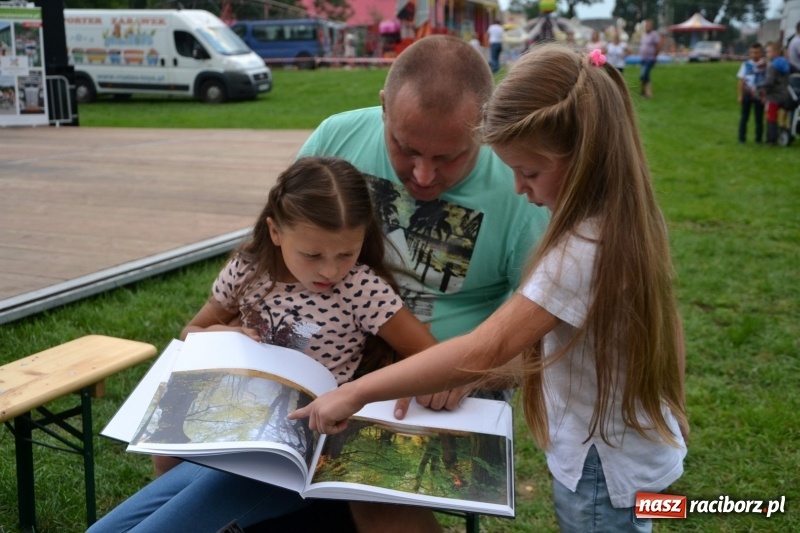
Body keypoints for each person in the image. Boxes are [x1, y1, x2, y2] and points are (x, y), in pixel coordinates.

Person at [291, 43, 689, 533]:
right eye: (407, 148)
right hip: (624, 454)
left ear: (582, 157)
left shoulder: (580, 253)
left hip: (599, 467)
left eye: (529, 172)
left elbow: (489, 347)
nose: (518, 187)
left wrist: (354, 395)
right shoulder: (624, 221)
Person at [87, 156, 440, 532]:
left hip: (295, 457)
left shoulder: (361, 288)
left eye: (346, 254)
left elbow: (429, 354)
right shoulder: (247, 270)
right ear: (275, 231)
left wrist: (402, 386)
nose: (331, 271)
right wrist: (227, 334)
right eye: (313, 254)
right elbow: (191, 333)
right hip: (231, 435)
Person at [292, 34, 550, 532]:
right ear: (384, 106)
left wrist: (473, 373)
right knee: (193, 460)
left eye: (449, 157)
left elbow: (543, 340)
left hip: (448, 380)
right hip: (319, 354)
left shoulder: (522, 191)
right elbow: (276, 247)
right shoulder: (335, 138)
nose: (424, 175)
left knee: (372, 489)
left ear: (485, 126)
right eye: (405, 149)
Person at [759, 41, 792, 145]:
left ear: (776, 52)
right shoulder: (785, 63)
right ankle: (785, 133)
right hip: (785, 95)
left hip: (773, 96)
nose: (766, 54)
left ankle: (771, 139)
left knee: (771, 117)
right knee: (783, 117)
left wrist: (759, 86)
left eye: (768, 51)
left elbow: (769, 82)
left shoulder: (772, 66)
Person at [737, 42, 766, 144]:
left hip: (759, 94)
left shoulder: (764, 65)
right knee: (744, 116)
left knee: (759, 118)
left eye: (757, 52)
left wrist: (765, 95)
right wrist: (740, 95)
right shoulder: (745, 64)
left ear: (761, 53)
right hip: (748, 93)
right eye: (752, 52)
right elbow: (741, 80)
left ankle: (758, 139)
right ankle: (742, 138)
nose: (754, 55)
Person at [638, 19, 661, 98]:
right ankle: (645, 92)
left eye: (648, 25)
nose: (647, 27)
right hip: (643, 58)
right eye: (646, 25)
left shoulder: (654, 34)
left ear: (651, 26)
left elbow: (657, 45)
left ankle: (646, 92)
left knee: (643, 74)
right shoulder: (644, 35)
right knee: (645, 75)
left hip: (650, 58)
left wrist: (655, 56)